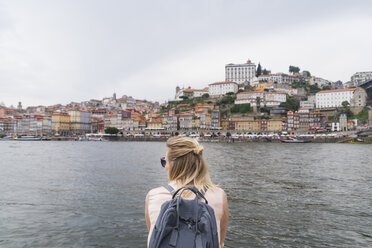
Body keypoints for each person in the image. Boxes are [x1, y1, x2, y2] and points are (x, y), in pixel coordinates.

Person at [145, 136, 229, 248]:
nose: (165, 166)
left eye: (164, 161)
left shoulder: (153, 196)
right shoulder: (219, 195)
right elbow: (220, 243)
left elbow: (154, 238)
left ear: (172, 165)